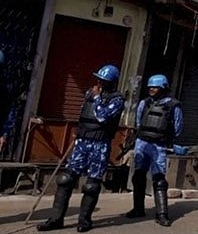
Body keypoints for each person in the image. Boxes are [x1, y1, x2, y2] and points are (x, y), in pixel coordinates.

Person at [38, 64, 125, 232]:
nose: (99, 82)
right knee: (66, 180)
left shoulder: (117, 100)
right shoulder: (89, 94)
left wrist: (98, 98)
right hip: (82, 142)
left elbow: (102, 117)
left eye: (103, 80)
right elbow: (83, 114)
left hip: (99, 144)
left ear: (112, 82)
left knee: (92, 185)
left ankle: (84, 221)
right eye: (98, 78)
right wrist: (79, 131)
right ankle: (56, 219)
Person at [124, 74, 183, 227]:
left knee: (159, 180)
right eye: (150, 87)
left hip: (159, 145)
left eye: (155, 87)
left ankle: (162, 214)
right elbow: (138, 121)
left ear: (163, 88)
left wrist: (165, 139)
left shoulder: (173, 105)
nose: (151, 89)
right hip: (142, 143)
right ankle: (138, 209)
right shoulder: (144, 103)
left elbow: (177, 128)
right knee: (138, 176)